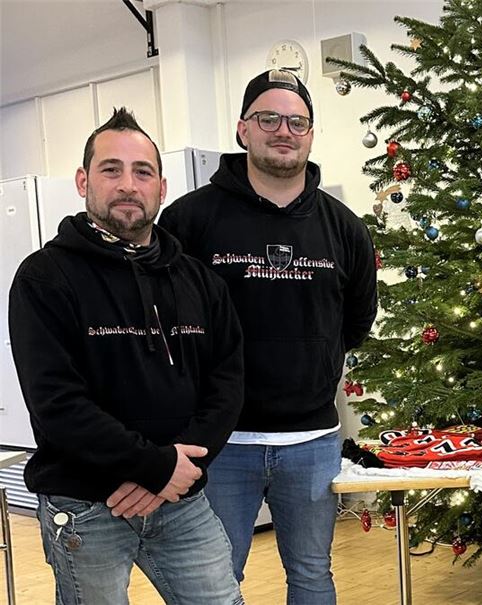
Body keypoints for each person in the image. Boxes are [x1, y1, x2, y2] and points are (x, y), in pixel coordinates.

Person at [8, 108, 245, 604]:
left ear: (162, 187)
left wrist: (176, 471)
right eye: (110, 169)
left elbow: (226, 386)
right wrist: (155, 466)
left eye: (142, 172)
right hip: (87, 504)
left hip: (181, 498)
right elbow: (57, 404)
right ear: (83, 181)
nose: (127, 185)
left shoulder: (200, 282)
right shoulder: (44, 278)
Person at [160, 69, 378, 603]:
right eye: (269, 118)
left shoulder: (344, 227)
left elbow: (356, 321)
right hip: (221, 443)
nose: (284, 131)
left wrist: (311, 359)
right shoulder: (189, 220)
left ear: (311, 134)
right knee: (215, 583)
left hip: (312, 441)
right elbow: (164, 323)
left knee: (312, 576)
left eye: (297, 122)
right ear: (243, 129)